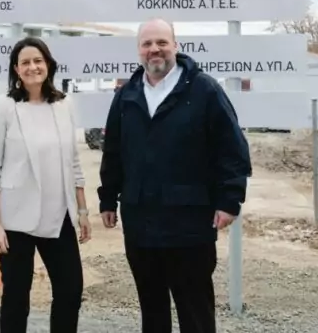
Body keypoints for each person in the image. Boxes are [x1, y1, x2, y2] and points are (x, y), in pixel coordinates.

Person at [97, 18, 252, 333]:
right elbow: (113, 151)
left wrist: (229, 200)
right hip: (141, 223)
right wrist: (108, 199)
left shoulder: (204, 90)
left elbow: (232, 149)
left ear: (175, 46)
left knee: (195, 311)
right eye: (147, 44)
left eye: (161, 42)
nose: (154, 49)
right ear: (139, 50)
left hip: (190, 223)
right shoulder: (126, 96)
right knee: (152, 310)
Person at [0, 36, 91, 333]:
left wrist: (82, 211)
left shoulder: (64, 104)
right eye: (25, 62)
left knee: (70, 291)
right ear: (16, 69)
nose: (33, 67)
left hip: (59, 217)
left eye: (38, 61)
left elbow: (74, 162)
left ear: (48, 65)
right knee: (16, 298)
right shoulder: (4, 107)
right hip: (15, 221)